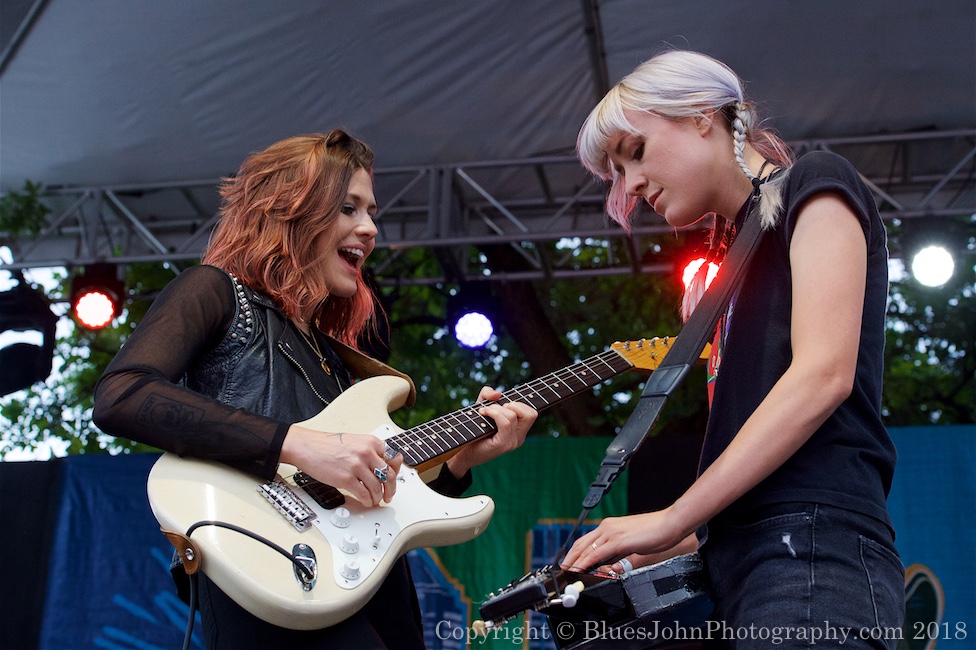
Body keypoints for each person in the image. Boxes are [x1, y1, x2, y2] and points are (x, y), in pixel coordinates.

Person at [92, 130, 537, 649]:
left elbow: (381, 508)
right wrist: (296, 444)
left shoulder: (335, 360)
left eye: (371, 212)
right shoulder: (214, 290)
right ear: (290, 211)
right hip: (264, 563)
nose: (369, 229)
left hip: (360, 581)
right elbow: (122, 394)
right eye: (348, 208)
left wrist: (461, 462)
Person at [561, 50, 904, 648]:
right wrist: (649, 549)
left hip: (813, 555)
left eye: (635, 154)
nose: (632, 185)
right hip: (747, 570)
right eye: (617, 173)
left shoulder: (816, 180)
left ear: (701, 115)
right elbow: (760, 484)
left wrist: (672, 518)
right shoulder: (724, 277)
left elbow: (824, 376)